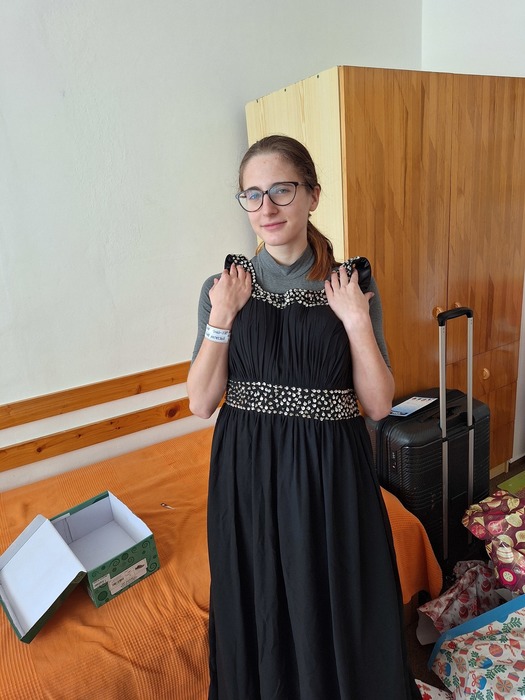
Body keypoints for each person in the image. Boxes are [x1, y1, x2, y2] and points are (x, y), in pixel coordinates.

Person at [187, 135, 420, 699]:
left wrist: (356, 321)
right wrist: (221, 316)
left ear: (313, 195)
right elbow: (200, 402)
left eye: (282, 190)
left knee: (333, 596)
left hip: (329, 473)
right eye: (252, 194)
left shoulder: (350, 285)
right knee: (259, 597)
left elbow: (378, 404)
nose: (266, 207)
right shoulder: (225, 288)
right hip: (246, 474)